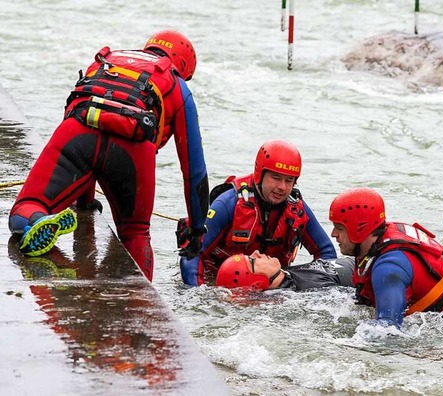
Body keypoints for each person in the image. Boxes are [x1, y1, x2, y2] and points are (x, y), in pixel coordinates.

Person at [8, 30, 210, 282]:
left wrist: (85, 202)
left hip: (79, 132)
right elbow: (194, 170)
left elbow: (74, 107)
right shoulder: (177, 84)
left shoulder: (106, 60)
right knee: (136, 233)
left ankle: (35, 220)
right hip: (133, 149)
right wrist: (197, 231)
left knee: (24, 207)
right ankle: (140, 300)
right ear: (183, 66)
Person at [328, 187, 443, 328]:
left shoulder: (388, 269)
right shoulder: (383, 240)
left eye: (339, 228)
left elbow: (387, 333)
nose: (333, 234)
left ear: (359, 229)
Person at [179, 140, 337, 286]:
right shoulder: (227, 204)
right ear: (259, 174)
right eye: (276, 178)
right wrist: (199, 295)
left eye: (289, 180)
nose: (282, 187)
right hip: (222, 284)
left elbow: (327, 253)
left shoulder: (296, 208)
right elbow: (192, 254)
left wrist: (306, 286)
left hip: (269, 287)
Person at [215, 251, 354, 291]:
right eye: (252, 260)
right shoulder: (310, 290)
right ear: (257, 283)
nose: (256, 252)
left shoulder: (285, 274)